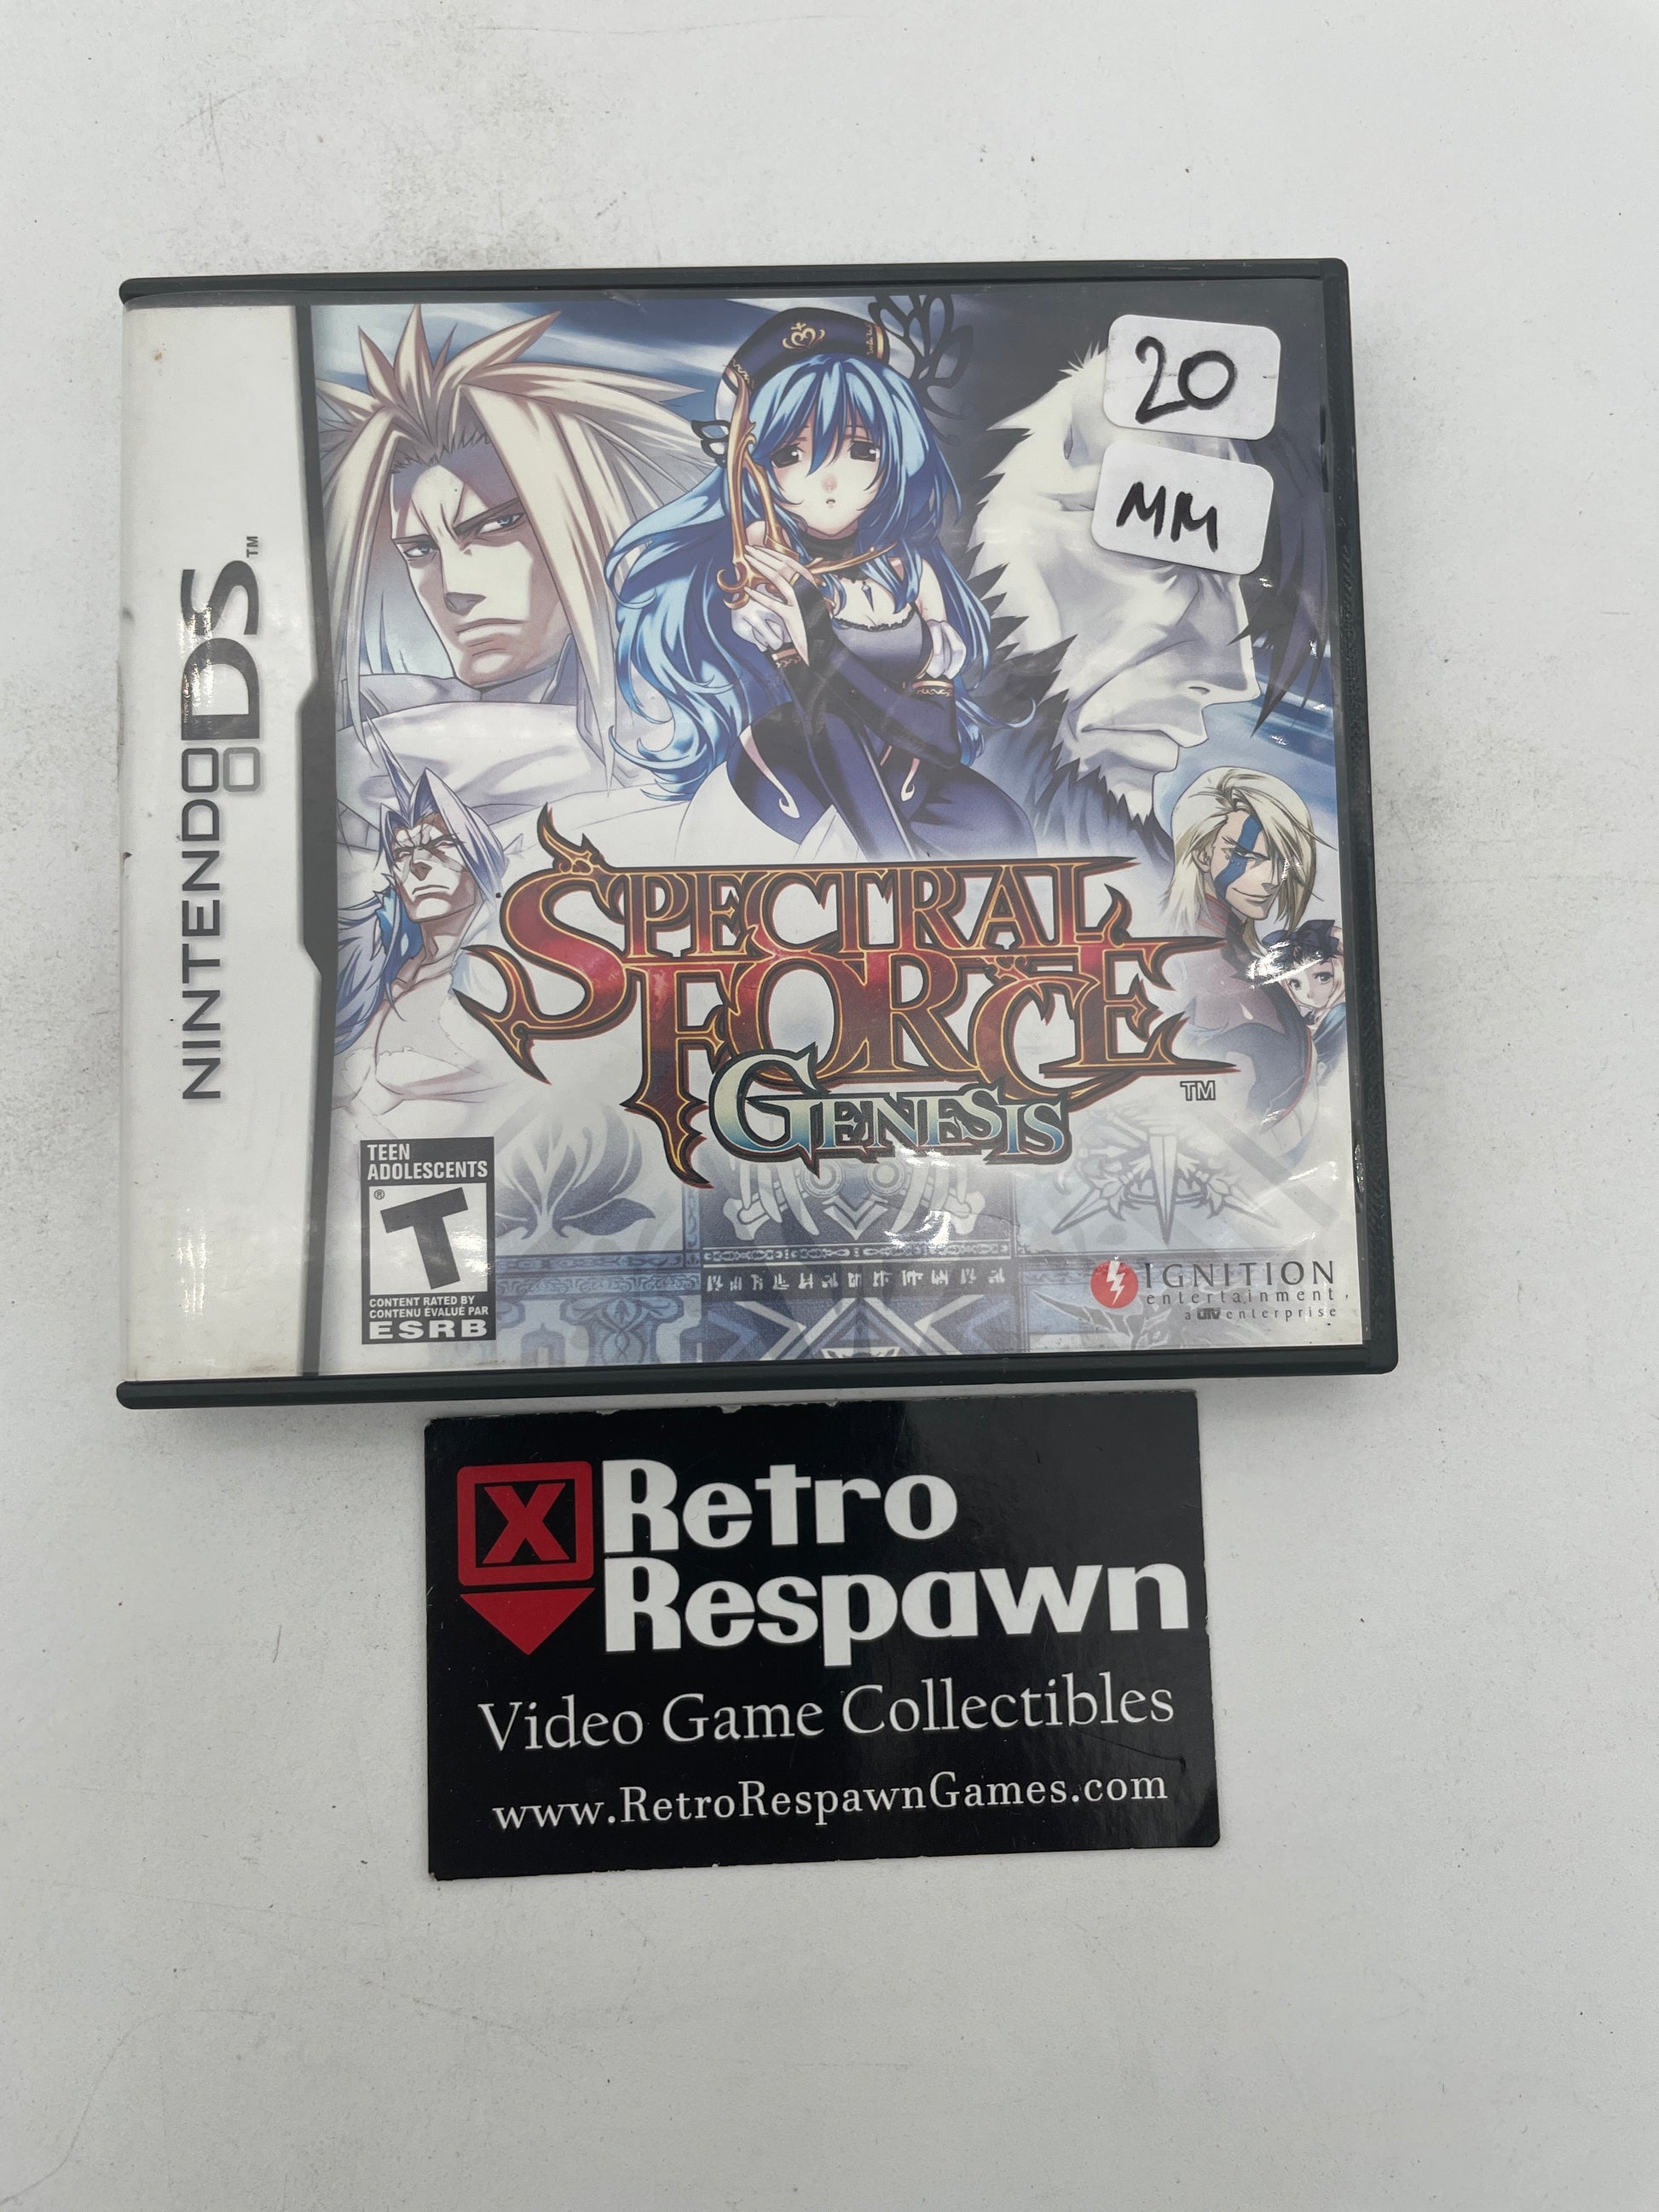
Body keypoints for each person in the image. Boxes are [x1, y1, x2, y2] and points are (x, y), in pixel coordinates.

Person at [608, 306, 1032, 863]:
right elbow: (831, 720)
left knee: (1006, 830)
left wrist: (840, 638)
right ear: (756, 467)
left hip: (908, 766)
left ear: (896, 455)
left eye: (861, 450)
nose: (828, 479)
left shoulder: (905, 565)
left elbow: (938, 733)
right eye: (792, 454)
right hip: (793, 779)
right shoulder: (770, 559)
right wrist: (890, 855)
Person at [318, 305, 706, 858]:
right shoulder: (379, 715)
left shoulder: (684, 707)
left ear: (589, 522)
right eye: (420, 551)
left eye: (498, 526)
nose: (454, 588)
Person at [1165, 766, 1320, 1126]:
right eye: (1246, 856)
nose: (1271, 879)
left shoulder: (1231, 952)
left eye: (1279, 860)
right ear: (1202, 854)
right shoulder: (1202, 963)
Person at [1255, 918, 1347, 1082]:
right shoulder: (1312, 1018)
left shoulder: (1341, 1014)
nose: (1309, 993)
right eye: (1296, 984)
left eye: (1323, 977)